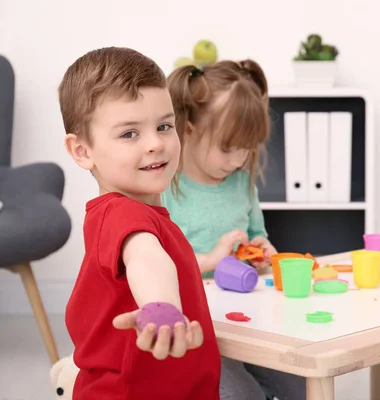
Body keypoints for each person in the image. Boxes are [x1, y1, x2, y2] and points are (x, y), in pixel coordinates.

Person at [60, 47, 220, 399]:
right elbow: (147, 259)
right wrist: (161, 307)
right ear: (81, 150)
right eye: (129, 133)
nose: (155, 144)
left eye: (164, 126)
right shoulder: (121, 214)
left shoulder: (143, 214)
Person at [162, 60, 306, 400]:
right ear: (190, 128)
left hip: (246, 320)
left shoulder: (242, 183)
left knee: (299, 388)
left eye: (248, 148)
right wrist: (211, 259)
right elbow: (158, 266)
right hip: (196, 326)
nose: (239, 160)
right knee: (241, 395)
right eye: (228, 148)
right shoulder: (166, 186)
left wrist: (264, 252)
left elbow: (258, 232)